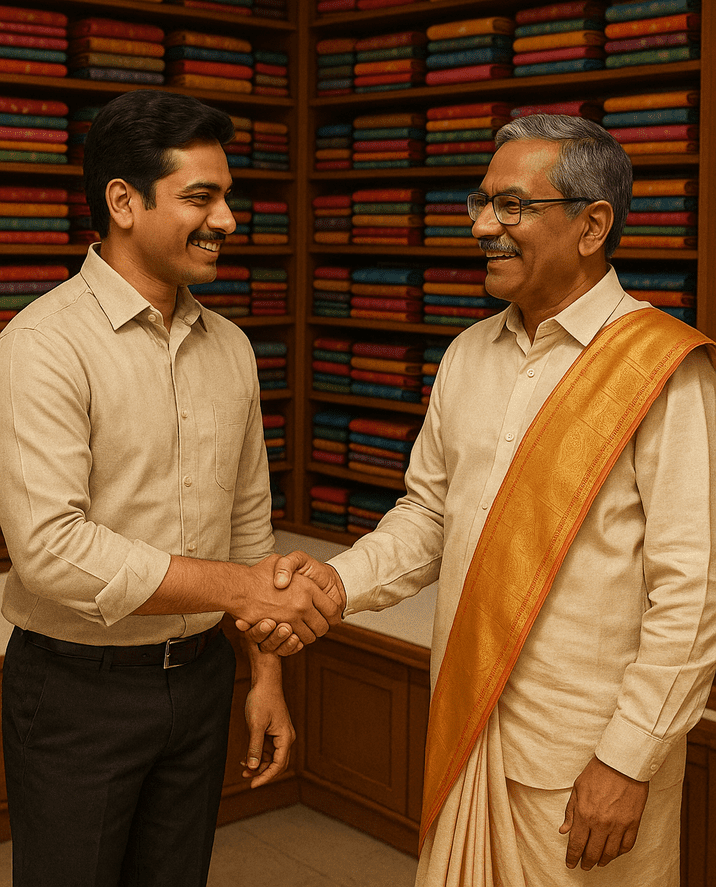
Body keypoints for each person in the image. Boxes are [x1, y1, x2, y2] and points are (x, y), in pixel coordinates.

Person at [254, 114, 716, 886]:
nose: (481, 226)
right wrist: (338, 582)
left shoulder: (664, 370)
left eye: (511, 206)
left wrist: (627, 760)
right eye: (480, 202)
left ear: (592, 224)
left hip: (585, 758)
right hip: (469, 723)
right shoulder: (470, 354)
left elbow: (694, 593)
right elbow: (429, 515)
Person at [0, 89, 340, 887]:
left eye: (227, 197)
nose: (226, 219)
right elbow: (51, 550)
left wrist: (266, 675)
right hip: (76, 691)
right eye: (201, 197)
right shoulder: (41, 345)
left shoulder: (231, 348)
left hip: (201, 678)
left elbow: (249, 521)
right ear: (123, 201)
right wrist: (244, 587)